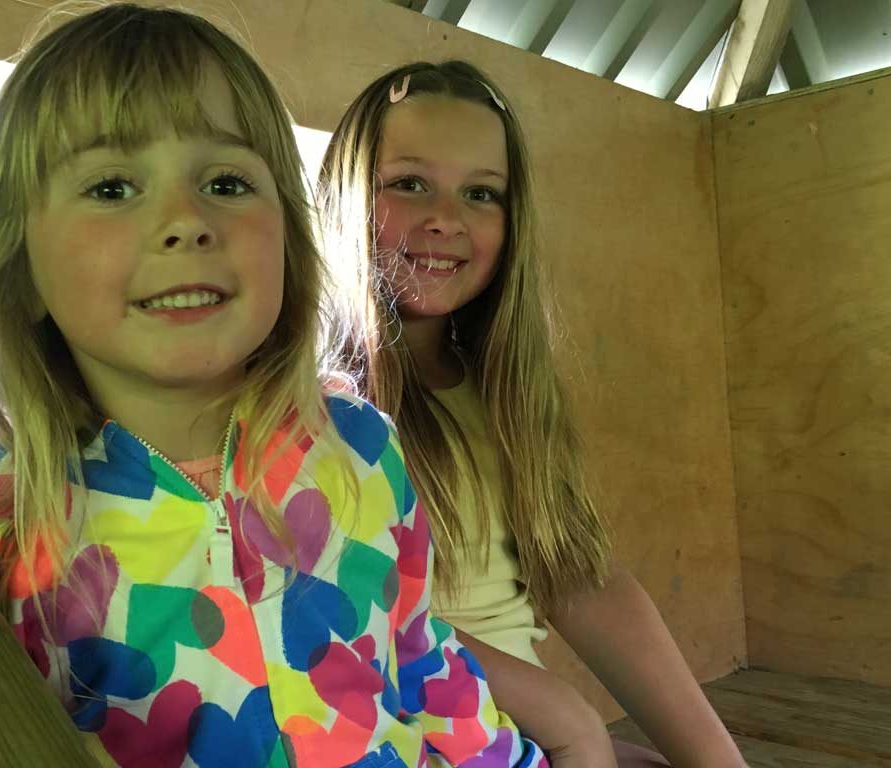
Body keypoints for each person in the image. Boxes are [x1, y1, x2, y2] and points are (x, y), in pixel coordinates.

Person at [0, 10, 551, 767]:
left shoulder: (361, 448)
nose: (185, 220)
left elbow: (426, 667)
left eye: (225, 182)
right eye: (112, 186)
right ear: (20, 268)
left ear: (289, 241)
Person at [317, 60, 748, 768]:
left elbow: (579, 576)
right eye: (409, 183)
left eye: (481, 193)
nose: (445, 218)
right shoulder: (315, 411)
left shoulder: (500, 392)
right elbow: (352, 625)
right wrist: (567, 719)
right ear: (344, 192)